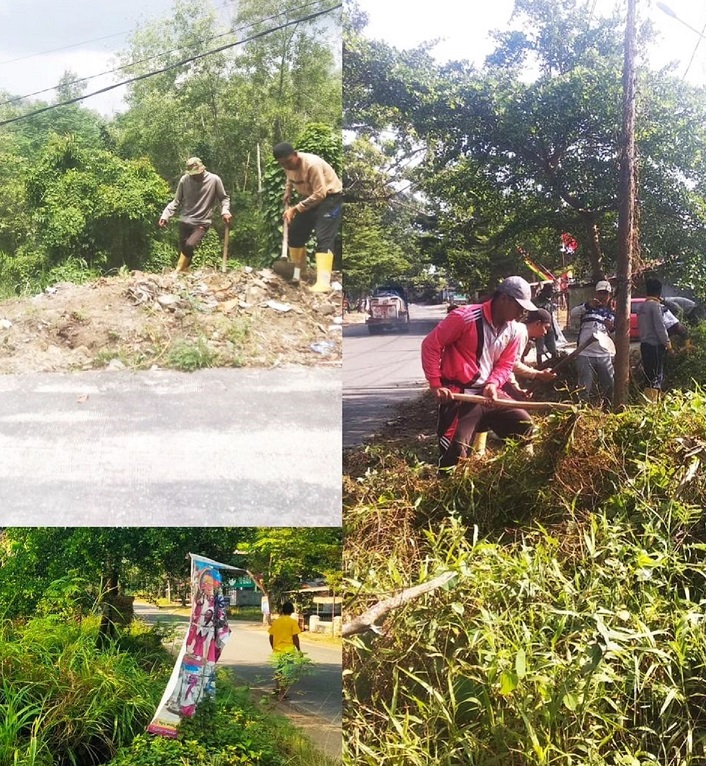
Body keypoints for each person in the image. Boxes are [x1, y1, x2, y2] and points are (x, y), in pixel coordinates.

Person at [421, 276, 537, 470]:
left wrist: (493, 384)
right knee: (456, 452)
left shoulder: (515, 331)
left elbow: (505, 364)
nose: (522, 312)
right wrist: (435, 384)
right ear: (504, 299)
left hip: (489, 394)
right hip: (460, 394)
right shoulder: (464, 317)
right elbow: (431, 345)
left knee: (524, 426)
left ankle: (522, 474)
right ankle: (448, 489)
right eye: (519, 306)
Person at [273, 142, 343, 291]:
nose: (286, 165)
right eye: (282, 164)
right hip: (310, 198)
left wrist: (295, 209)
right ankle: (300, 274)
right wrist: (288, 192)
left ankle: (323, 282)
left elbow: (320, 193)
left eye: (288, 161)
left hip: (330, 197)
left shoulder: (312, 164)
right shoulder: (288, 166)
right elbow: (289, 178)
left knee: (323, 236)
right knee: (295, 233)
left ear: (296, 155)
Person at [159, 157, 232, 272]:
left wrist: (225, 211)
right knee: (185, 250)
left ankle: (177, 271)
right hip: (185, 221)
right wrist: (165, 215)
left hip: (202, 222)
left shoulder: (214, 180)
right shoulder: (184, 180)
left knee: (189, 245)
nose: (194, 176)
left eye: (196, 174)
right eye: (192, 174)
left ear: (202, 170)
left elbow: (224, 198)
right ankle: (185, 274)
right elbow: (176, 201)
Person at [570, 280, 616, 406]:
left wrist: (611, 328)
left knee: (609, 385)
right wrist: (587, 305)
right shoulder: (586, 308)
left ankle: (607, 410)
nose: (602, 296)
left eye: (605, 294)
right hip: (585, 353)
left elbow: (615, 337)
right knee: (584, 388)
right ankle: (581, 412)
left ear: (609, 296)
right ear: (596, 294)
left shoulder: (611, 314)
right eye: (600, 293)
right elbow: (573, 314)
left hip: (604, 355)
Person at [504, 309, 558, 400]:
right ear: (537, 323)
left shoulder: (519, 330)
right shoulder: (521, 333)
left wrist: (515, 388)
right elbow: (512, 364)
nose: (545, 333)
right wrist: (538, 374)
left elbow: (506, 365)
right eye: (546, 328)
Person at [637, 278, 671, 400]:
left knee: (648, 375)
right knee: (656, 376)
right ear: (659, 292)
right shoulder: (655, 306)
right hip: (655, 345)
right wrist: (667, 343)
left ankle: (648, 402)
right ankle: (651, 405)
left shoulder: (641, 306)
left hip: (644, 344)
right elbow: (660, 327)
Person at [268, 601, 302, 698]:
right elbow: (295, 637)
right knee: (287, 672)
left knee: (278, 671)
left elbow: (271, 636)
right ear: (292, 611)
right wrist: (299, 649)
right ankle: (282, 692)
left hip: (277, 650)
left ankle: (278, 689)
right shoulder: (293, 622)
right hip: (288, 650)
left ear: (282, 610)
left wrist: (273, 647)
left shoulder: (276, 622)